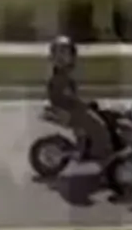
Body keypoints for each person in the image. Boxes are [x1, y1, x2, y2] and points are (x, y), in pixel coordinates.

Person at [46, 35, 115, 164]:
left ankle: (85, 146)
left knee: (95, 117)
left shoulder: (63, 74)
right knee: (99, 126)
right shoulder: (59, 77)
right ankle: (102, 153)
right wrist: (83, 104)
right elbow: (67, 96)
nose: (61, 57)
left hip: (70, 107)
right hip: (69, 109)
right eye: (58, 53)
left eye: (65, 53)